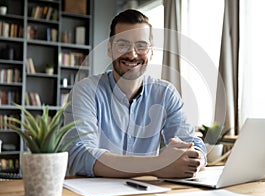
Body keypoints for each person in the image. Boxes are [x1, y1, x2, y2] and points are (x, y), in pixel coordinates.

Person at [63, 9, 207, 178]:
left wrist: (193, 159)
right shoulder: (85, 90)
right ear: (109, 49)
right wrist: (159, 165)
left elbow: (194, 144)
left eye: (141, 46)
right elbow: (80, 156)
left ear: (151, 52)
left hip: (147, 191)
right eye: (122, 45)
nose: (132, 54)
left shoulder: (166, 94)